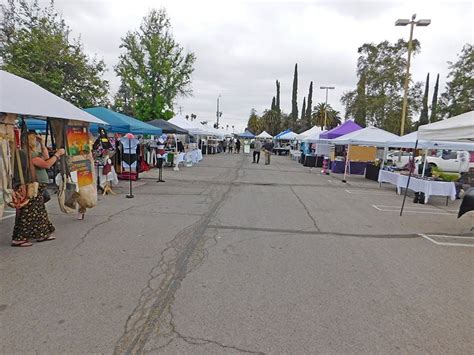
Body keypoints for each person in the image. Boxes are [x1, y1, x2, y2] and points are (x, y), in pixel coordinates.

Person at [11, 133, 65, 247]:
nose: (36, 142)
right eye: (34, 140)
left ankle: (42, 233)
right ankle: (19, 238)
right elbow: (47, 164)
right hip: (34, 185)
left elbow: (45, 157)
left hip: (38, 186)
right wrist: (58, 154)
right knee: (30, 212)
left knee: (39, 210)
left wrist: (42, 143)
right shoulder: (28, 154)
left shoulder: (32, 152)